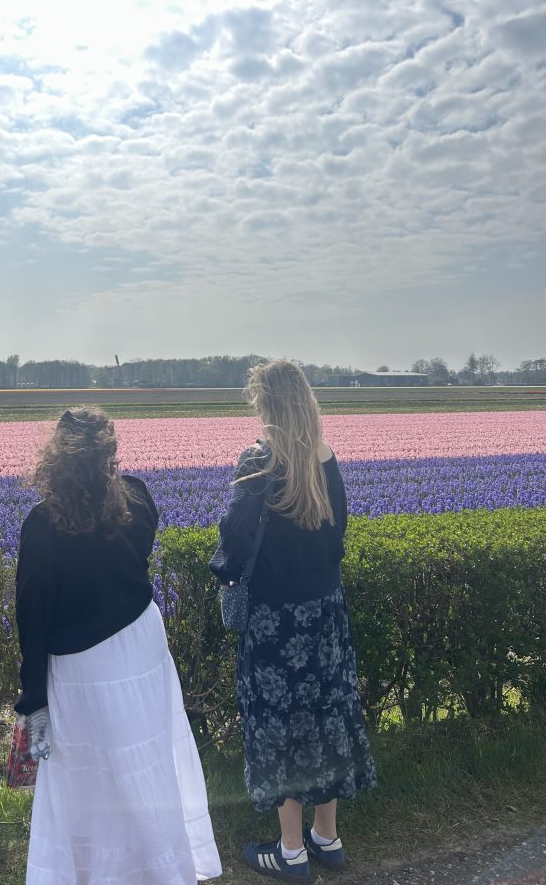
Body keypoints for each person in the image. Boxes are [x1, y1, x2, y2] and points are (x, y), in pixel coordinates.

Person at [15, 406, 222, 885]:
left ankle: (97, 872)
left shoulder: (43, 524)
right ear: (109, 452)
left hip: (81, 666)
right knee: (146, 759)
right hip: (140, 647)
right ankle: (157, 867)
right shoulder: (137, 497)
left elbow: (33, 616)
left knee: (87, 775)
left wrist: (33, 698)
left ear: (55, 456)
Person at [210, 361, 377, 881]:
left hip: (275, 621)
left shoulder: (260, 459)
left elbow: (234, 537)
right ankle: (327, 838)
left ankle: (290, 851)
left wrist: (225, 573)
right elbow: (337, 535)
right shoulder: (325, 457)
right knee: (326, 718)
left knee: (280, 726)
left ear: (266, 405)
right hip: (326, 615)